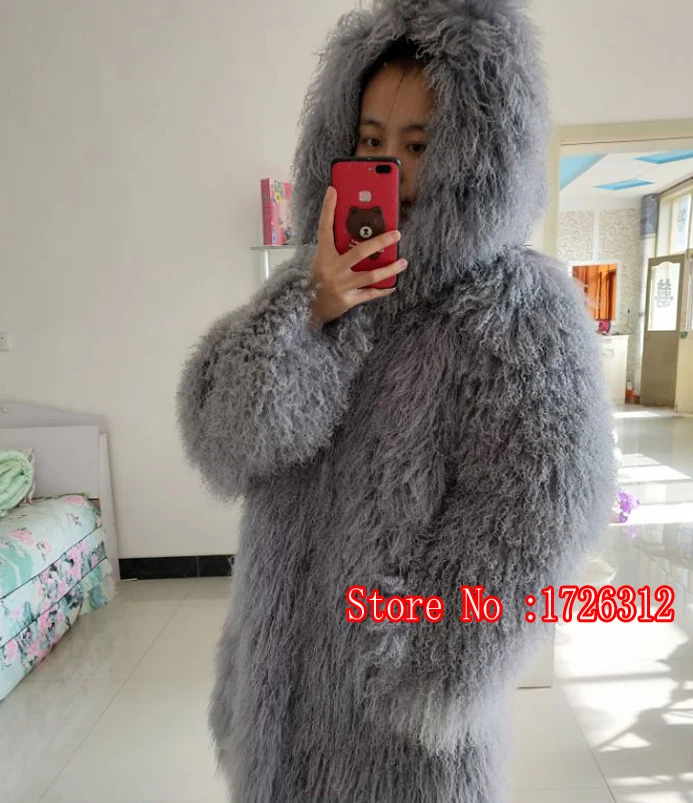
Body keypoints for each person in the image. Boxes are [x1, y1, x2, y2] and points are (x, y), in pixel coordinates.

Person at [175, 1, 616, 801]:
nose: (391, 169)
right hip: (270, 701)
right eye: (371, 141)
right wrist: (311, 305)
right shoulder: (312, 280)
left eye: (419, 144)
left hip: (395, 736)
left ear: (475, 149)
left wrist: (419, 673)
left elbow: (543, 510)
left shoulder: (518, 307)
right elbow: (220, 439)